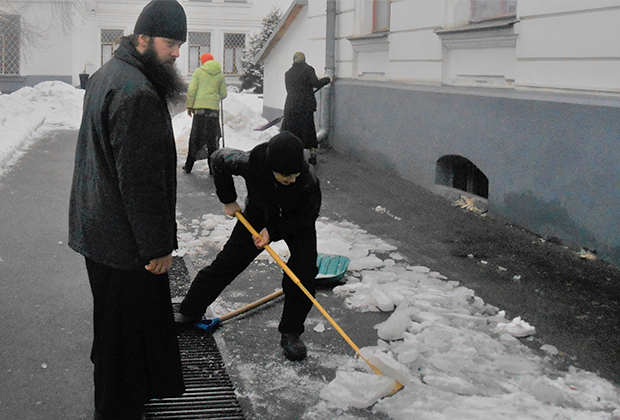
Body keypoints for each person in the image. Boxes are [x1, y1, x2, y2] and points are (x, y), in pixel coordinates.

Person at [68, 1, 187, 418]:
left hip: (100, 230)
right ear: (142, 39)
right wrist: (158, 247)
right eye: (170, 43)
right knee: (123, 340)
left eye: (179, 45)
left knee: (116, 332)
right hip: (124, 244)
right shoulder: (135, 91)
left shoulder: (109, 74)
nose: (176, 53)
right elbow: (140, 182)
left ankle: (126, 401)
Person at [175, 132, 321, 361]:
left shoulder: (307, 179)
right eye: (285, 176)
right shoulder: (251, 162)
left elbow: (309, 214)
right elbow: (218, 159)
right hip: (257, 216)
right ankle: (189, 311)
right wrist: (228, 198)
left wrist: (274, 232)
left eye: (295, 175)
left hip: (295, 223)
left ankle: (291, 332)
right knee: (228, 263)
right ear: (271, 167)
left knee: (303, 273)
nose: (291, 180)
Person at [281, 51, 331, 165]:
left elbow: (289, 90)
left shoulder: (288, 73)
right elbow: (316, 84)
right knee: (308, 132)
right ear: (304, 59)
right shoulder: (308, 70)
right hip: (305, 107)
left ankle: (289, 154)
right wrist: (327, 79)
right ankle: (312, 156)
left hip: (291, 106)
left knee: (291, 131)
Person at [183, 52, 228, 174]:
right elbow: (223, 94)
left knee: (195, 138)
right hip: (213, 112)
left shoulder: (199, 72)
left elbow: (192, 90)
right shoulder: (220, 74)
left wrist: (190, 106)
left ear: (203, 61)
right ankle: (213, 169)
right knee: (212, 140)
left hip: (200, 111)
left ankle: (188, 166)